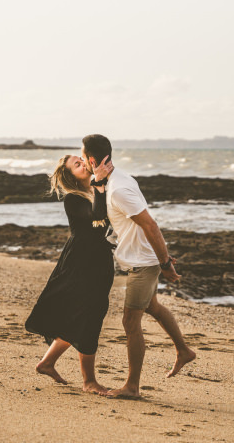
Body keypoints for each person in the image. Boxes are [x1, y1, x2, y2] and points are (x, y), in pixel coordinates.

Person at [81, 134, 196, 398]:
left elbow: (150, 225)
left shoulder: (120, 187)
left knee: (130, 320)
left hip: (143, 263)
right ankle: (184, 350)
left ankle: (132, 386)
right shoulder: (113, 181)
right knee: (153, 306)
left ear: (91, 159)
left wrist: (164, 262)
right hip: (142, 258)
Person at [24, 153, 115, 394]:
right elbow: (96, 218)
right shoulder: (73, 199)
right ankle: (89, 381)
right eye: (77, 164)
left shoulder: (99, 190)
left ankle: (47, 363)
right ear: (70, 176)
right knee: (90, 315)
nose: (83, 163)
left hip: (100, 259)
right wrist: (99, 182)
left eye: (82, 159)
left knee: (83, 314)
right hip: (81, 262)